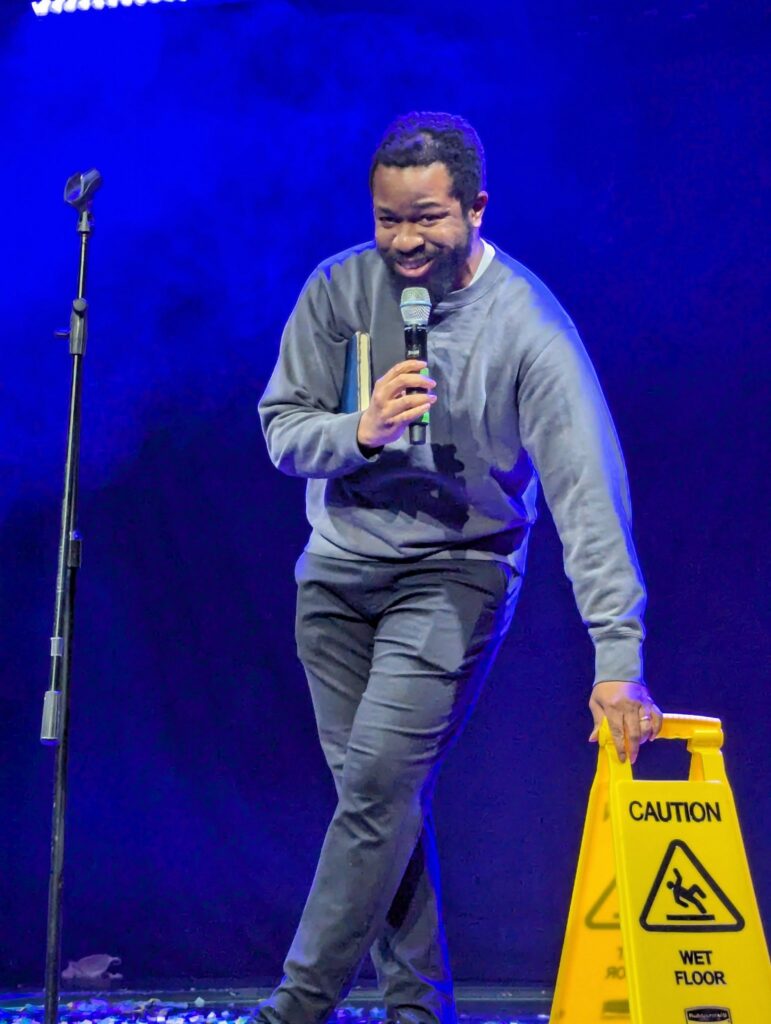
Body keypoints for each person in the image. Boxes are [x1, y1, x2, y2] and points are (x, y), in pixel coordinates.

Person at [257, 111, 662, 1024]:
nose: (405, 240)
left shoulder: (527, 327)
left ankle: (292, 1009)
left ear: (476, 208)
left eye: (428, 218)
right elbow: (282, 429)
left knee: (374, 798)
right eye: (388, 219)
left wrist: (617, 657)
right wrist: (357, 431)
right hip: (333, 579)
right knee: (382, 809)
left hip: (455, 574)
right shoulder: (335, 291)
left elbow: (586, 493)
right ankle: (416, 1010)